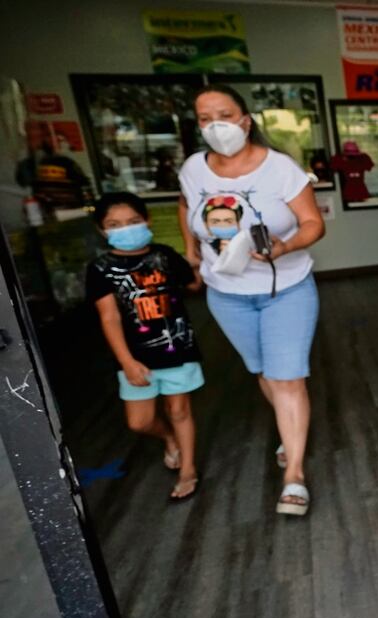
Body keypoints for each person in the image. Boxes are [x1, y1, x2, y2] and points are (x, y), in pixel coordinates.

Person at [177, 84, 325, 517]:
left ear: (245, 119)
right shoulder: (193, 168)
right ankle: (288, 427)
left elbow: (313, 223)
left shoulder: (279, 168)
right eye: (205, 118)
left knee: (288, 378)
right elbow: (185, 203)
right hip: (228, 296)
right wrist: (190, 251)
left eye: (225, 114)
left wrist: (284, 247)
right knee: (264, 371)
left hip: (286, 289)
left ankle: (294, 475)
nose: (216, 125)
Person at [85, 192, 203, 500]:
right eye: (115, 224)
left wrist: (198, 261)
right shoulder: (100, 269)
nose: (125, 229)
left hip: (177, 348)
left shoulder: (164, 255)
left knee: (179, 410)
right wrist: (126, 361)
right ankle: (169, 439)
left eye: (133, 222)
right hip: (135, 357)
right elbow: (109, 318)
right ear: (102, 230)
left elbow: (192, 284)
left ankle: (188, 469)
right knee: (140, 422)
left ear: (147, 220)